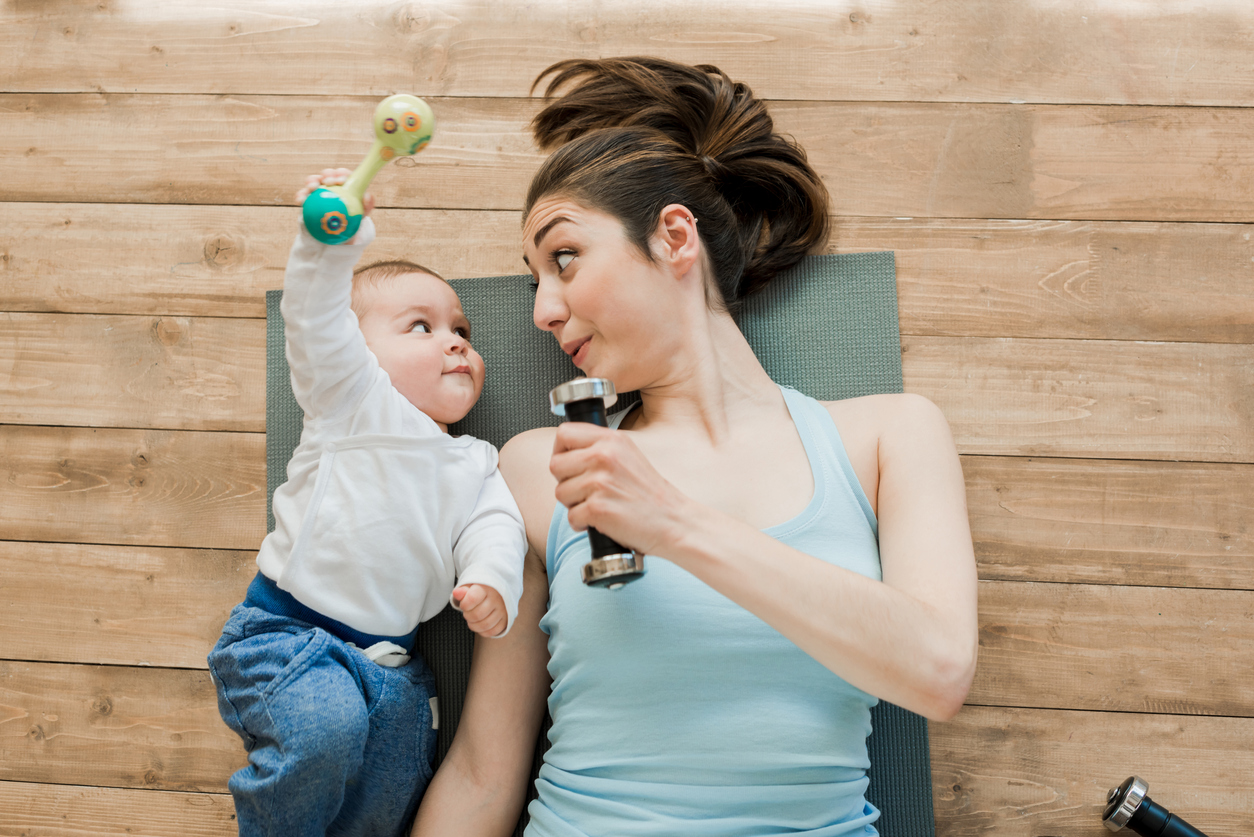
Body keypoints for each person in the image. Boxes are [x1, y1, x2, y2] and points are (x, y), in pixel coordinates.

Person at [411, 57, 978, 837]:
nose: (542, 308)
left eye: (564, 257)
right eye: (535, 276)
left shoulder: (889, 436)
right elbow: (482, 773)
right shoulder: (539, 469)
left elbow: (940, 672)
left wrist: (674, 524)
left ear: (674, 237)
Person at [207, 169, 527, 837]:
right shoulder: (352, 399)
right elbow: (315, 319)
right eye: (422, 326)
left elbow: (496, 526)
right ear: (362, 352)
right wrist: (330, 243)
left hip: (396, 669)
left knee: (393, 786)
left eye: (461, 328)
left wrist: (491, 579)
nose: (456, 340)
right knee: (323, 732)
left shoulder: (476, 462)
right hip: (293, 639)